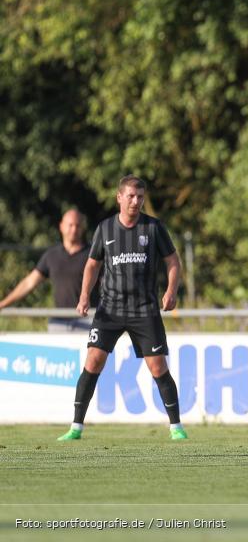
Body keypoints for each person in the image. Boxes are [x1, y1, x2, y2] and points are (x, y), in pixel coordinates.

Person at [57, 175, 186, 441]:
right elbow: (92, 265)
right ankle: (75, 427)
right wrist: (84, 297)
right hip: (110, 309)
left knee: (158, 367)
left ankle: (176, 427)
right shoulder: (105, 229)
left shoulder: (153, 228)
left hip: (144, 309)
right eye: (131, 196)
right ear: (119, 197)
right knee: (93, 361)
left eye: (140, 197)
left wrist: (171, 290)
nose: (136, 201)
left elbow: (173, 261)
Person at [0, 209, 97, 331]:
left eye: (77, 225)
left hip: (88, 319)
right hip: (59, 321)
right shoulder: (52, 255)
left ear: (82, 228)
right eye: (70, 225)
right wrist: (3, 304)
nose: (73, 229)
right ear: (61, 226)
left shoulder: (93, 255)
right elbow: (29, 283)